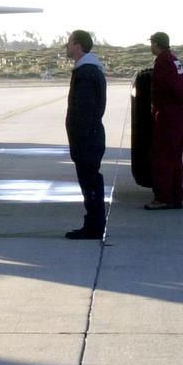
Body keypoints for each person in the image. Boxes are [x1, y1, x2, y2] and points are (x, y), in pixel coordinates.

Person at [64, 30, 107, 240]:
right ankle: (94, 224)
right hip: (91, 136)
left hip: (87, 139)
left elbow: (84, 110)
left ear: (78, 46)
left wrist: (79, 137)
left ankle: (94, 226)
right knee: (91, 181)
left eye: (69, 43)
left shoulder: (86, 73)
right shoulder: (90, 70)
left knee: (90, 182)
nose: (66, 46)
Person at [146, 31, 183, 210]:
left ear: (156, 44)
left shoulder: (162, 62)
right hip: (178, 117)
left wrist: (181, 101)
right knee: (175, 159)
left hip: (167, 117)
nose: (151, 47)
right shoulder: (175, 60)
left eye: (152, 43)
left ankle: (163, 198)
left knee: (162, 158)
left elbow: (169, 86)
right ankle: (175, 197)